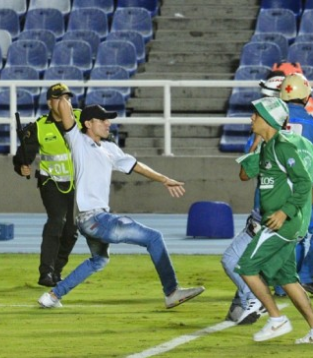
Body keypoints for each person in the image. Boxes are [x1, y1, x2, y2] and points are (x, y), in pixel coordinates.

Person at [37, 100, 205, 309]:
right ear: (88, 123)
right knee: (154, 238)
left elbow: (136, 166)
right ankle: (171, 292)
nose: (108, 123)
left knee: (99, 260)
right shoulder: (78, 141)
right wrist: (64, 95)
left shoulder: (109, 148)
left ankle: (53, 296)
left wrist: (163, 179)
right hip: (95, 219)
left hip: (90, 220)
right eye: (103, 120)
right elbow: (63, 108)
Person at [236, 97, 313, 344]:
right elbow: (244, 173)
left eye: (256, 115)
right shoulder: (270, 147)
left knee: (246, 267)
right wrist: (257, 145)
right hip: (287, 222)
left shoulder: (283, 147)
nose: (251, 118)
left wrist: (286, 212)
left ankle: (276, 319)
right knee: (287, 278)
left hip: (280, 223)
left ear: (268, 120)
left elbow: (303, 182)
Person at [221, 73, 286, 325]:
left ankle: (255, 301)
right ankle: (246, 304)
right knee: (274, 273)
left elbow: (245, 174)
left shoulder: (277, 140)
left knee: (240, 263)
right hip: (275, 214)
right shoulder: (293, 131)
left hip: (273, 216)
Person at [12, 83, 81, 287]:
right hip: (50, 183)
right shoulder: (39, 126)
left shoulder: (81, 118)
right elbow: (23, 156)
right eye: (59, 98)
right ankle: (46, 273)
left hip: (76, 184)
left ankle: (57, 270)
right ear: (50, 102)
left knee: (71, 230)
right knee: (56, 221)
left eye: (67, 98)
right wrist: (21, 167)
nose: (65, 102)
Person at [279, 73, 313, 297]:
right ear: (305, 96)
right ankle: (306, 276)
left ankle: (284, 285)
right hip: (307, 187)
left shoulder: (272, 120)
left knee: (289, 237)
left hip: (279, 188)